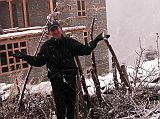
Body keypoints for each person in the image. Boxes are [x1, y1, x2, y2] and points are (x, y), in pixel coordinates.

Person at [13, 20, 110, 119]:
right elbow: (39, 61)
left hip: (70, 79)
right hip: (57, 81)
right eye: (53, 30)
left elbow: (85, 50)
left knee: (71, 108)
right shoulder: (47, 46)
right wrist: (26, 57)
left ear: (60, 29)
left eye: (57, 28)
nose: (55, 31)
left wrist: (97, 40)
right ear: (49, 32)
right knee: (61, 110)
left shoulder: (69, 42)